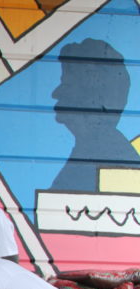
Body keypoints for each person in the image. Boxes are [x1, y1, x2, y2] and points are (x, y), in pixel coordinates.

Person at [49, 38, 137, 192]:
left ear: (90, 97)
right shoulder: (89, 149)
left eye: (67, 83)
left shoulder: (109, 155)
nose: (55, 93)